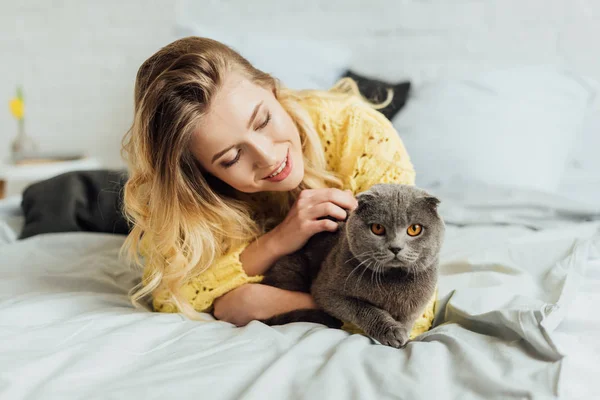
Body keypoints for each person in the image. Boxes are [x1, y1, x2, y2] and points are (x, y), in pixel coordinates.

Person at [121, 36, 422, 329]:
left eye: (263, 121)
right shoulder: (190, 196)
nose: (267, 157)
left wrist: (272, 302)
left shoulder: (362, 136)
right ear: (200, 172)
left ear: (271, 88)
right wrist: (276, 242)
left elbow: (405, 315)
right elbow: (169, 299)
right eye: (231, 157)